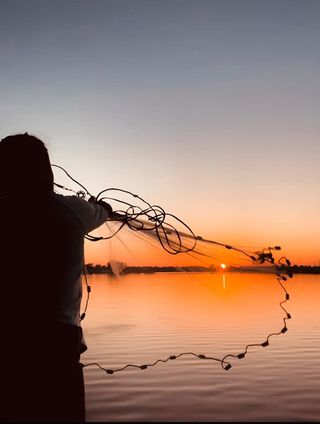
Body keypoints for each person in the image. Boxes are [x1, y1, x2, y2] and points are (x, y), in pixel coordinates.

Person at [0, 133, 113, 422]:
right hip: (57, 344)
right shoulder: (70, 211)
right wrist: (102, 208)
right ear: (46, 170)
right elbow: (102, 212)